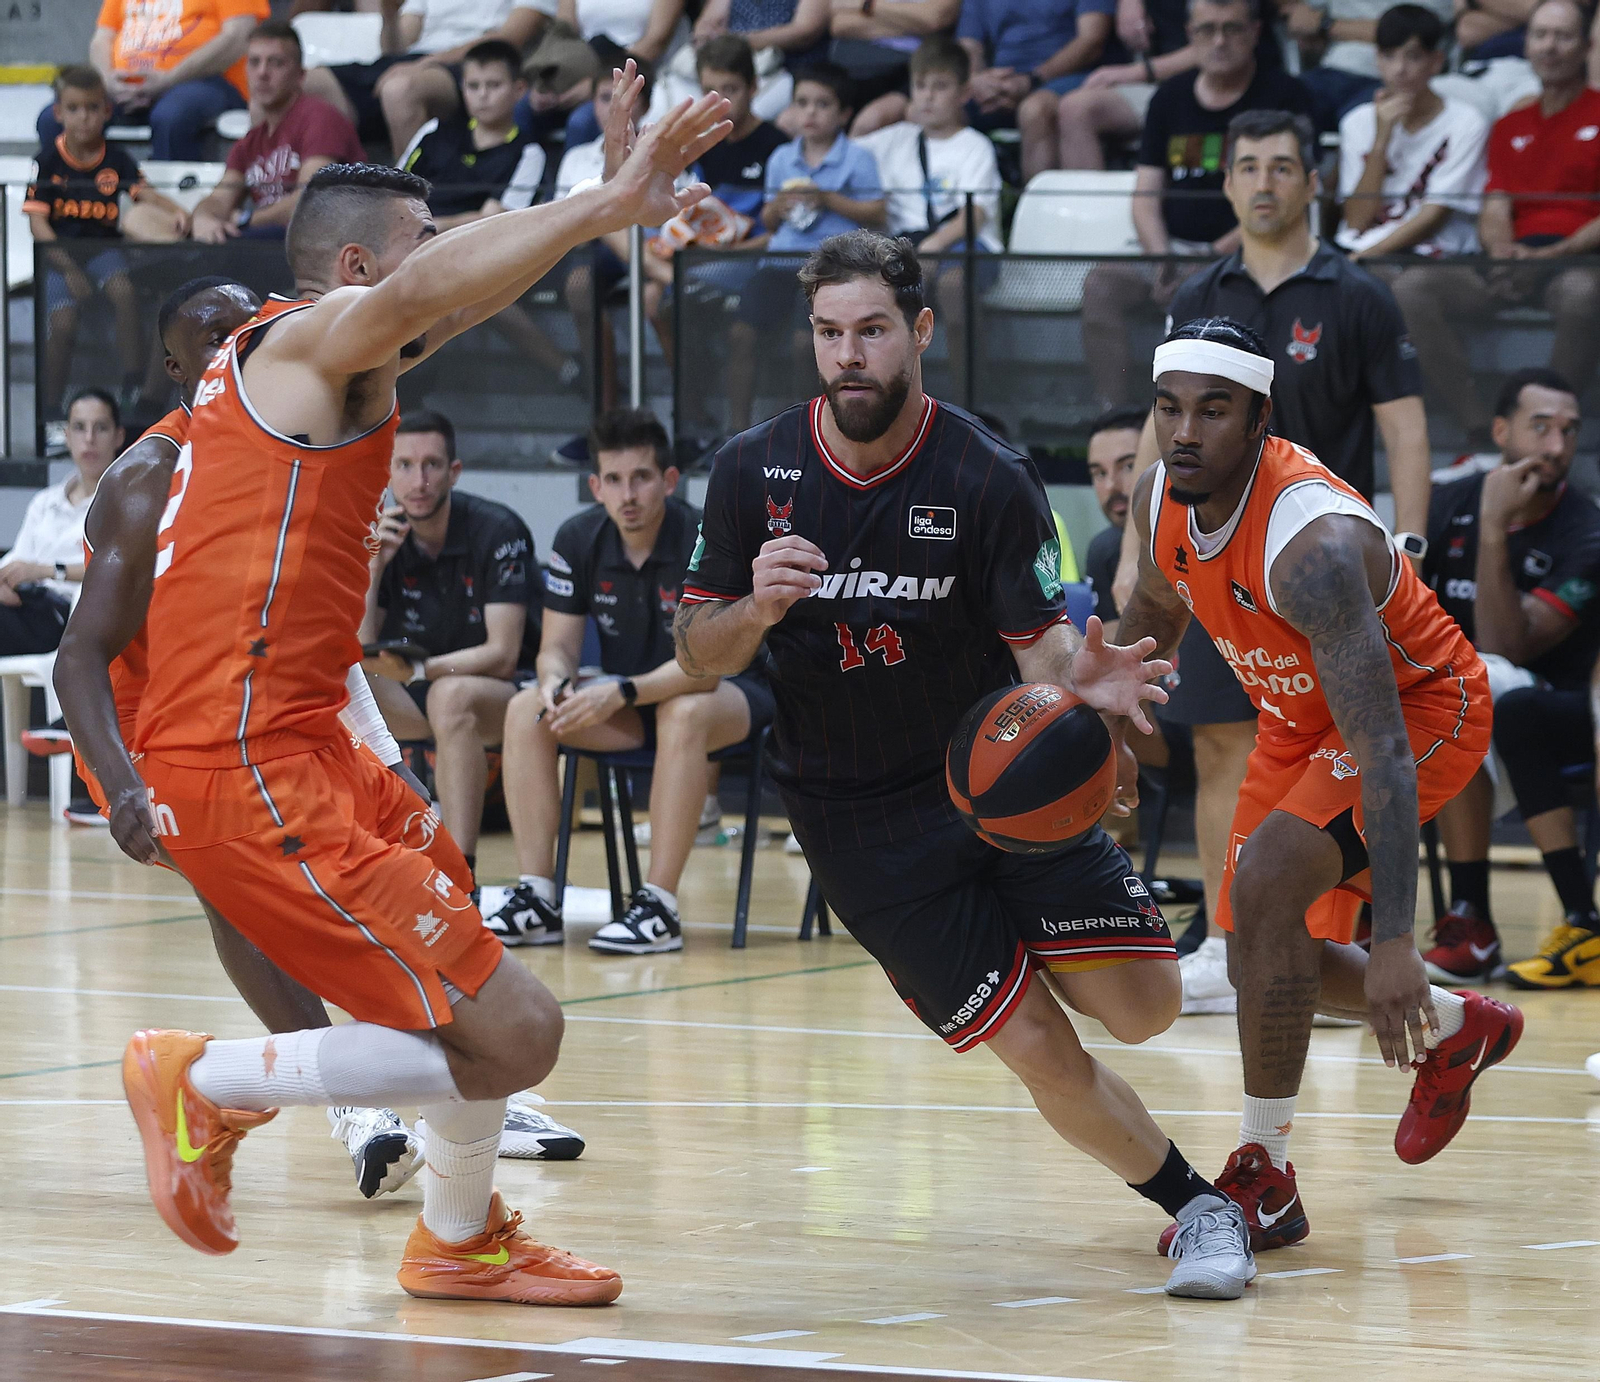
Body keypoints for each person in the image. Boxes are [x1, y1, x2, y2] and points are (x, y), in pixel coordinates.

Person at [84, 74, 731, 1300]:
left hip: (310, 743)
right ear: (352, 268)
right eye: (417, 247)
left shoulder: (329, 353)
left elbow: (459, 295)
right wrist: (602, 202)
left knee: (468, 967)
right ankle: (201, 1078)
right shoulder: (299, 341)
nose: (442, 266)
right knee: (518, 1030)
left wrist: (599, 208)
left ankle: (457, 1234)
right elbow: (435, 287)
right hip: (247, 767)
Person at [676, 228, 1260, 1300]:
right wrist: (755, 604)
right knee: (1035, 1042)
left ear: (920, 332)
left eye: (871, 331)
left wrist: (1091, 705)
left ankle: (1034, 955)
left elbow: (1039, 648)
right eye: (827, 333)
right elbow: (693, 649)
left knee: (1145, 1007)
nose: (848, 353)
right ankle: (1200, 1204)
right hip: (858, 825)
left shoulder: (985, 473)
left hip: (1000, 788)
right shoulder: (750, 471)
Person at [54, 280, 586, 1191]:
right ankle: (351, 1095)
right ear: (183, 371)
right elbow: (81, 659)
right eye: (217, 338)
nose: (244, 345)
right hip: (157, 739)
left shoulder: (290, 444)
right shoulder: (151, 479)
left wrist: (377, 756)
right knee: (250, 901)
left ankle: (455, 1078)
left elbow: (307, 637)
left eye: (249, 327)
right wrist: (122, 785)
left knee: (424, 887)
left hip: (273, 719)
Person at [1114, 315, 1522, 1257]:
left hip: (1422, 715)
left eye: (1213, 412)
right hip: (1305, 724)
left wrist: (1393, 942)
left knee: (1263, 896)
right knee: (1255, 945)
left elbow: (1382, 749)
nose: (1185, 431)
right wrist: (1109, 716)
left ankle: (1265, 1171)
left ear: (1260, 419)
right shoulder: (1159, 498)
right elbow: (1155, 610)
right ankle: (1459, 1029)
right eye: (1170, 408)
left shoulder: (1314, 547)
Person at [1118, 107, 1436, 1015]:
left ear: (1310, 182)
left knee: (1356, 747)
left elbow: (1402, 428)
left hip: (1319, 576)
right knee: (1224, 743)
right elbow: (1161, 432)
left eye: (1281, 166)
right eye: (1246, 166)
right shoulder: (1199, 291)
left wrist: (1408, 547)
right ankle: (1231, 945)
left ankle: (1336, 950)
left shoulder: (1360, 296)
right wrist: (1148, 557)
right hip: (1212, 565)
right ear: (1226, 185)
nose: (1263, 181)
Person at [489, 408, 774, 953]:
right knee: (527, 709)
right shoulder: (578, 538)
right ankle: (538, 897)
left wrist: (620, 693)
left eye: (641, 478)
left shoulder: (704, 534)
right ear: (595, 486)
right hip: (634, 699)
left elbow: (707, 667)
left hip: (730, 694)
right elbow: (556, 647)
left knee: (684, 712)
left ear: (668, 480)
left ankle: (658, 906)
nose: (629, 495)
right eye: (614, 480)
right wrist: (554, 682)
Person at [1420, 369, 1600, 988]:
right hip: (1452, 718)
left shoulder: (1585, 530)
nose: (1557, 446)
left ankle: (1476, 919)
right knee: (1418, 692)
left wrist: (1493, 527)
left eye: (1569, 431)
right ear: (1501, 432)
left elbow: (1504, 648)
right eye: (1541, 427)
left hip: (1549, 718)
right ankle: (1367, 918)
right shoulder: (1446, 501)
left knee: (1480, 681)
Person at [1078, 0, 1312, 410]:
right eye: (1207, 30)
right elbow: (1146, 195)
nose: (1219, 41)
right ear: (1190, 35)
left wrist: (1210, 258)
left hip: (1250, 253)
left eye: (1232, 29)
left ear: (1256, 32)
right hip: (1170, 249)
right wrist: (1161, 260)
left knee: (1220, 289)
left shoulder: (1284, 96)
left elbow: (1281, 197)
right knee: (1102, 285)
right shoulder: (1169, 98)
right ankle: (1116, 417)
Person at [1391, 0, 1600, 442]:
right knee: (1413, 287)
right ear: (1526, 44)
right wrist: (1504, 252)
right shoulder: (1509, 123)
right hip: (1511, 259)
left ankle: (1543, 425)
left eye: (1563, 36)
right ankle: (1477, 422)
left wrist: (1548, 255)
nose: (1550, 47)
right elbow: (1496, 204)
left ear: (1585, 46)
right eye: (1540, 35)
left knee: (1585, 294)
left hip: (1574, 260)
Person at [359, 410, 541, 885]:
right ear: (388, 473)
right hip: (423, 694)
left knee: (451, 697)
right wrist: (374, 568)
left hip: (511, 694)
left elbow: (503, 652)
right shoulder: (385, 538)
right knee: (343, 683)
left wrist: (422, 672)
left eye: (431, 465)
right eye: (404, 466)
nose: (418, 481)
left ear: (454, 472)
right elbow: (359, 648)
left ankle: (460, 871)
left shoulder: (497, 530)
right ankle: (361, 858)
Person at [26, 66, 191, 431]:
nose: (83, 117)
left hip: (103, 251)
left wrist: (176, 210)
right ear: (59, 113)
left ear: (106, 111)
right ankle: (51, 412)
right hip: (58, 257)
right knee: (63, 321)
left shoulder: (116, 160)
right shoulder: (47, 162)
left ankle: (132, 384)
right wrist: (69, 271)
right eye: (74, 108)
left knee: (124, 292)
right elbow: (38, 225)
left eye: (91, 107)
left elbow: (142, 193)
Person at [725, 62, 886, 432]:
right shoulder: (782, 157)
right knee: (740, 335)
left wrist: (827, 199)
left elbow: (877, 213)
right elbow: (768, 221)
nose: (810, 112)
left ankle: (808, 429)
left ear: (845, 113)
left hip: (832, 269)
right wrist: (777, 207)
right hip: (779, 262)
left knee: (806, 343)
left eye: (822, 104)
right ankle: (736, 431)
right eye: (802, 103)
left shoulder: (858, 158)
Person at [856, 36, 1002, 391]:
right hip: (905, 245)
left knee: (953, 285)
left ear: (964, 92)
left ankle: (968, 391)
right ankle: (888, 392)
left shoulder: (975, 147)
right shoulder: (894, 139)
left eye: (940, 86)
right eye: (920, 86)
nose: (928, 96)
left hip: (965, 246)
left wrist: (930, 250)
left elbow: (975, 214)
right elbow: (850, 148)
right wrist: (887, 107)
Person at [641, 35, 788, 376]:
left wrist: (726, 255)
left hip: (749, 260)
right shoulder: (699, 145)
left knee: (675, 297)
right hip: (698, 255)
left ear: (754, 87)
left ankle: (703, 394)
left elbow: (778, 235)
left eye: (731, 89)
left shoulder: (777, 146)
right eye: (711, 91)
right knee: (651, 298)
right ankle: (691, 405)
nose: (720, 102)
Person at [191, 21, 366, 245]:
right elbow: (218, 198)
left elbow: (310, 202)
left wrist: (246, 219)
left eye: (276, 63)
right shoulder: (249, 142)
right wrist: (205, 218)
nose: (262, 73)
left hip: (318, 244)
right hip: (265, 243)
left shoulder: (320, 118)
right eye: (254, 62)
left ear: (300, 75)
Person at [1054, 0, 1283, 170]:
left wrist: (1137, 72)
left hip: (1226, 83)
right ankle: (1091, 221)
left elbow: (1217, 42)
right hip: (1161, 88)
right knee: (1076, 109)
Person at [1335, 5, 1486, 262]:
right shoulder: (1356, 122)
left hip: (1434, 253)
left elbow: (1434, 215)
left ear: (1436, 61)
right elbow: (1357, 220)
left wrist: (1365, 257)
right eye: (1389, 56)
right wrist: (1381, 139)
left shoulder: (1467, 123)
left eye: (1413, 57)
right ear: (1377, 59)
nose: (1399, 69)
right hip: (1359, 248)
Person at [303, 0, 552, 152]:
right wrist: (389, 13)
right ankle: (338, 181)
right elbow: (397, 47)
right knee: (305, 81)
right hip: (414, 61)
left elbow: (510, 38)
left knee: (399, 89)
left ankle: (408, 196)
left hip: (473, 63)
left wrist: (428, 62)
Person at [38, 0, 267, 162]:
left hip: (207, 80)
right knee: (53, 119)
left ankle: (172, 218)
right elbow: (102, 38)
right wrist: (107, 82)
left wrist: (170, 79)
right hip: (122, 86)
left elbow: (238, 35)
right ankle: (67, 208)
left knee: (171, 116)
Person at [0, 390, 123, 656]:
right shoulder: (44, 502)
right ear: (67, 436)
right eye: (79, 428)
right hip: (26, 606)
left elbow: (117, 569)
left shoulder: (124, 501)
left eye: (100, 428)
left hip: (70, 617)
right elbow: (16, 561)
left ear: (118, 436)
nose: (89, 439)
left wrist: (46, 570)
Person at [951, 0, 1115, 180]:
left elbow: (1091, 41)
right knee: (940, 107)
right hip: (998, 82)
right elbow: (969, 44)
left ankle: (1040, 206)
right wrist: (977, 80)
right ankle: (962, 204)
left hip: (1069, 75)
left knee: (1035, 110)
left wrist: (1032, 80)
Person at [400, 40, 548, 228]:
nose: (483, 95)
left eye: (494, 85)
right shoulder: (434, 130)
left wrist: (427, 228)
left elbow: (493, 221)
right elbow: (396, 193)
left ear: (519, 90)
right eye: (473, 86)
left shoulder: (529, 153)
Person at [827, 0, 961, 133]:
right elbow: (840, 24)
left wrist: (866, 5)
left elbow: (932, 18)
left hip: (909, 72)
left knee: (870, 122)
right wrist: (912, 24)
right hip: (853, 66)